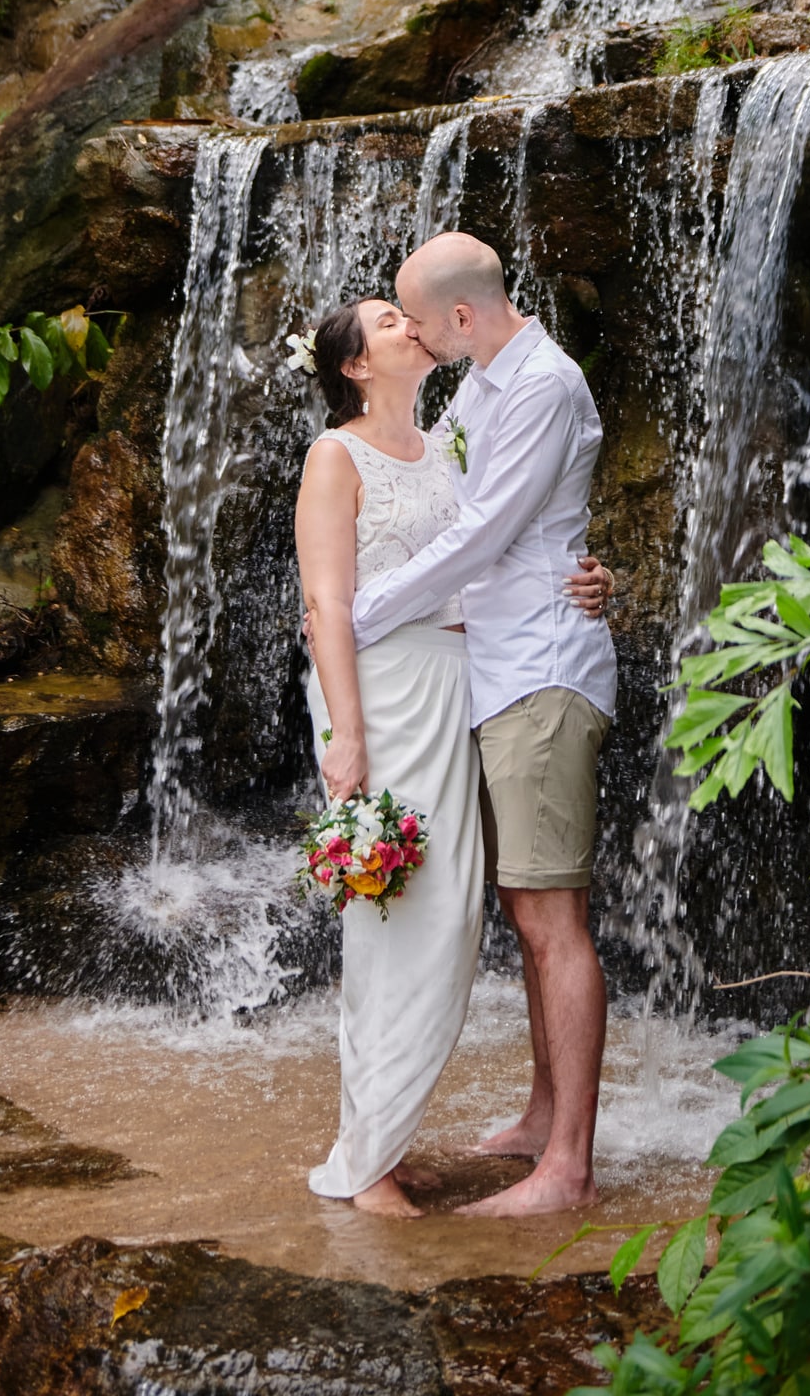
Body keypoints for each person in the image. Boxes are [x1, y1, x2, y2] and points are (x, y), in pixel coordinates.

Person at [293, 293, 611, 1218]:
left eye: (406, 311)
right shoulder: (334, 455)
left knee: (445, 919)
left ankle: (382, 1138)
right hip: (381, 694)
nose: (408, 325)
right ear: (355, 365)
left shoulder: (448, 444)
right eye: (386, 321)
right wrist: (345, 735)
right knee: (392, 916)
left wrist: (583, 578)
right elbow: (327, 605)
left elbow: (507, 547)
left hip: (462, 682)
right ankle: (366, 1164)